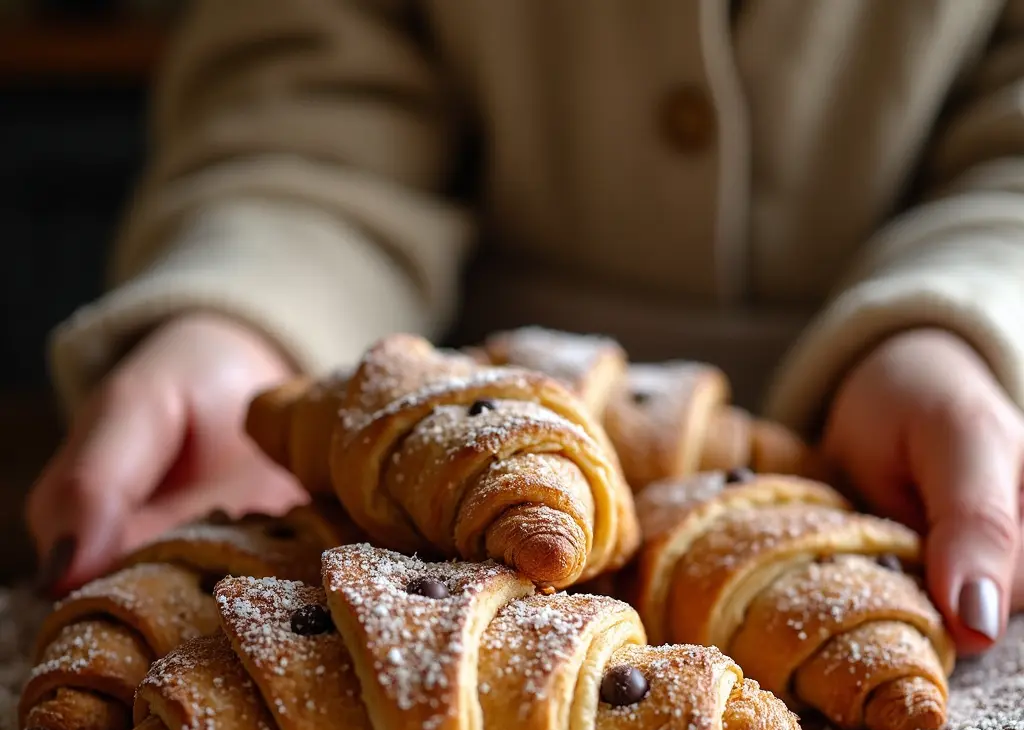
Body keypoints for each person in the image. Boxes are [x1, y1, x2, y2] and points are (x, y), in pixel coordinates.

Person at [25, 0, 1024, 658]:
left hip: (898, 479)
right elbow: (313, 101)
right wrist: (251, 324)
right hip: (416, 520)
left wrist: (952, 329)